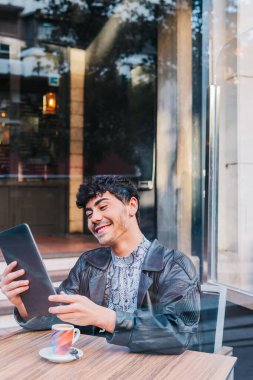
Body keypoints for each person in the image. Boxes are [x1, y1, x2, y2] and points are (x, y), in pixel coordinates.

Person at [0, 176, 200, 354]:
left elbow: (180, 334)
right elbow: (56, 316)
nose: (94, 218)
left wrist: (105, 318)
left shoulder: (175, 265)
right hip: (96, 366)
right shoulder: (88, 264)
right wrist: (23, 303)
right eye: (89, 214)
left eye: (103, 207)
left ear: (132, 206)